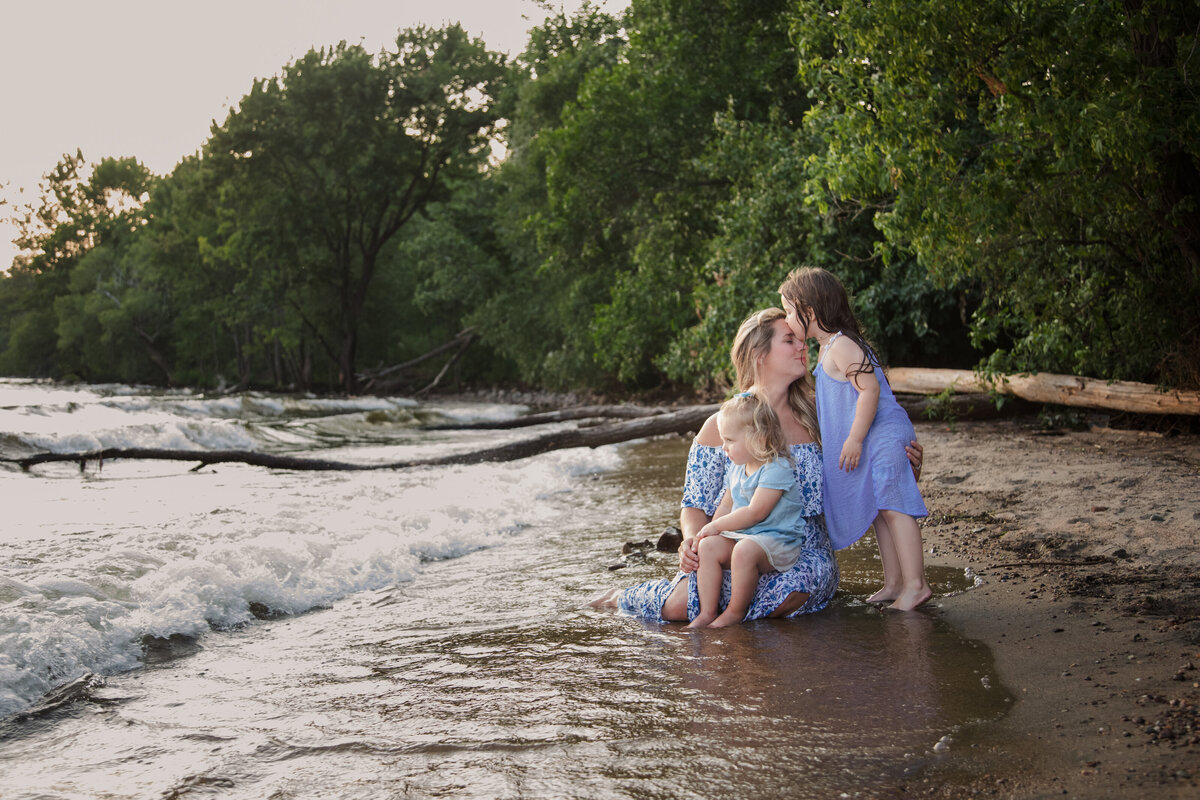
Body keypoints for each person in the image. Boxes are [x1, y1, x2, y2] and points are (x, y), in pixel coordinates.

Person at [591, 308, 924, 623]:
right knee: (684, 605)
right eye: (789, 340)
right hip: (731, 543)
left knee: (785, 596)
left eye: (801, 340)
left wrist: (902, 467)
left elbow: (861, 475)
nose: (802, 348)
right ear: (758, 355)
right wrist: (692, 542)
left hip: (799, 549)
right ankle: (623, 597)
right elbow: (694, 504)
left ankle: (736, 607)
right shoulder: (721, 425)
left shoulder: (821, 418)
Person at [779, 266, 932, 611]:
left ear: (810, 312)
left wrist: (854, 439)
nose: (787, 319)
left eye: (789, 311)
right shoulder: (828, 348)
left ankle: (916, 584)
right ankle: (894, 582)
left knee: (894, 507)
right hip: (874, 436)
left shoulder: (842, 346)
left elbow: (869, 390)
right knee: (880, 510)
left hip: (880, 434)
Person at [689, 393, 807, 628]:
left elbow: (756, 513)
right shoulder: (737, 467)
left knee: (744, 550)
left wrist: (717, 525)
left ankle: (735, 611)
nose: (724, 447)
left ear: (760, 439)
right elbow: (725, 505)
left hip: (778, 540)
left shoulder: (776, 468)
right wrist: (709, 531)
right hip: (747, 536)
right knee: (708, 546)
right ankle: (707, 611)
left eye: (730, 440)